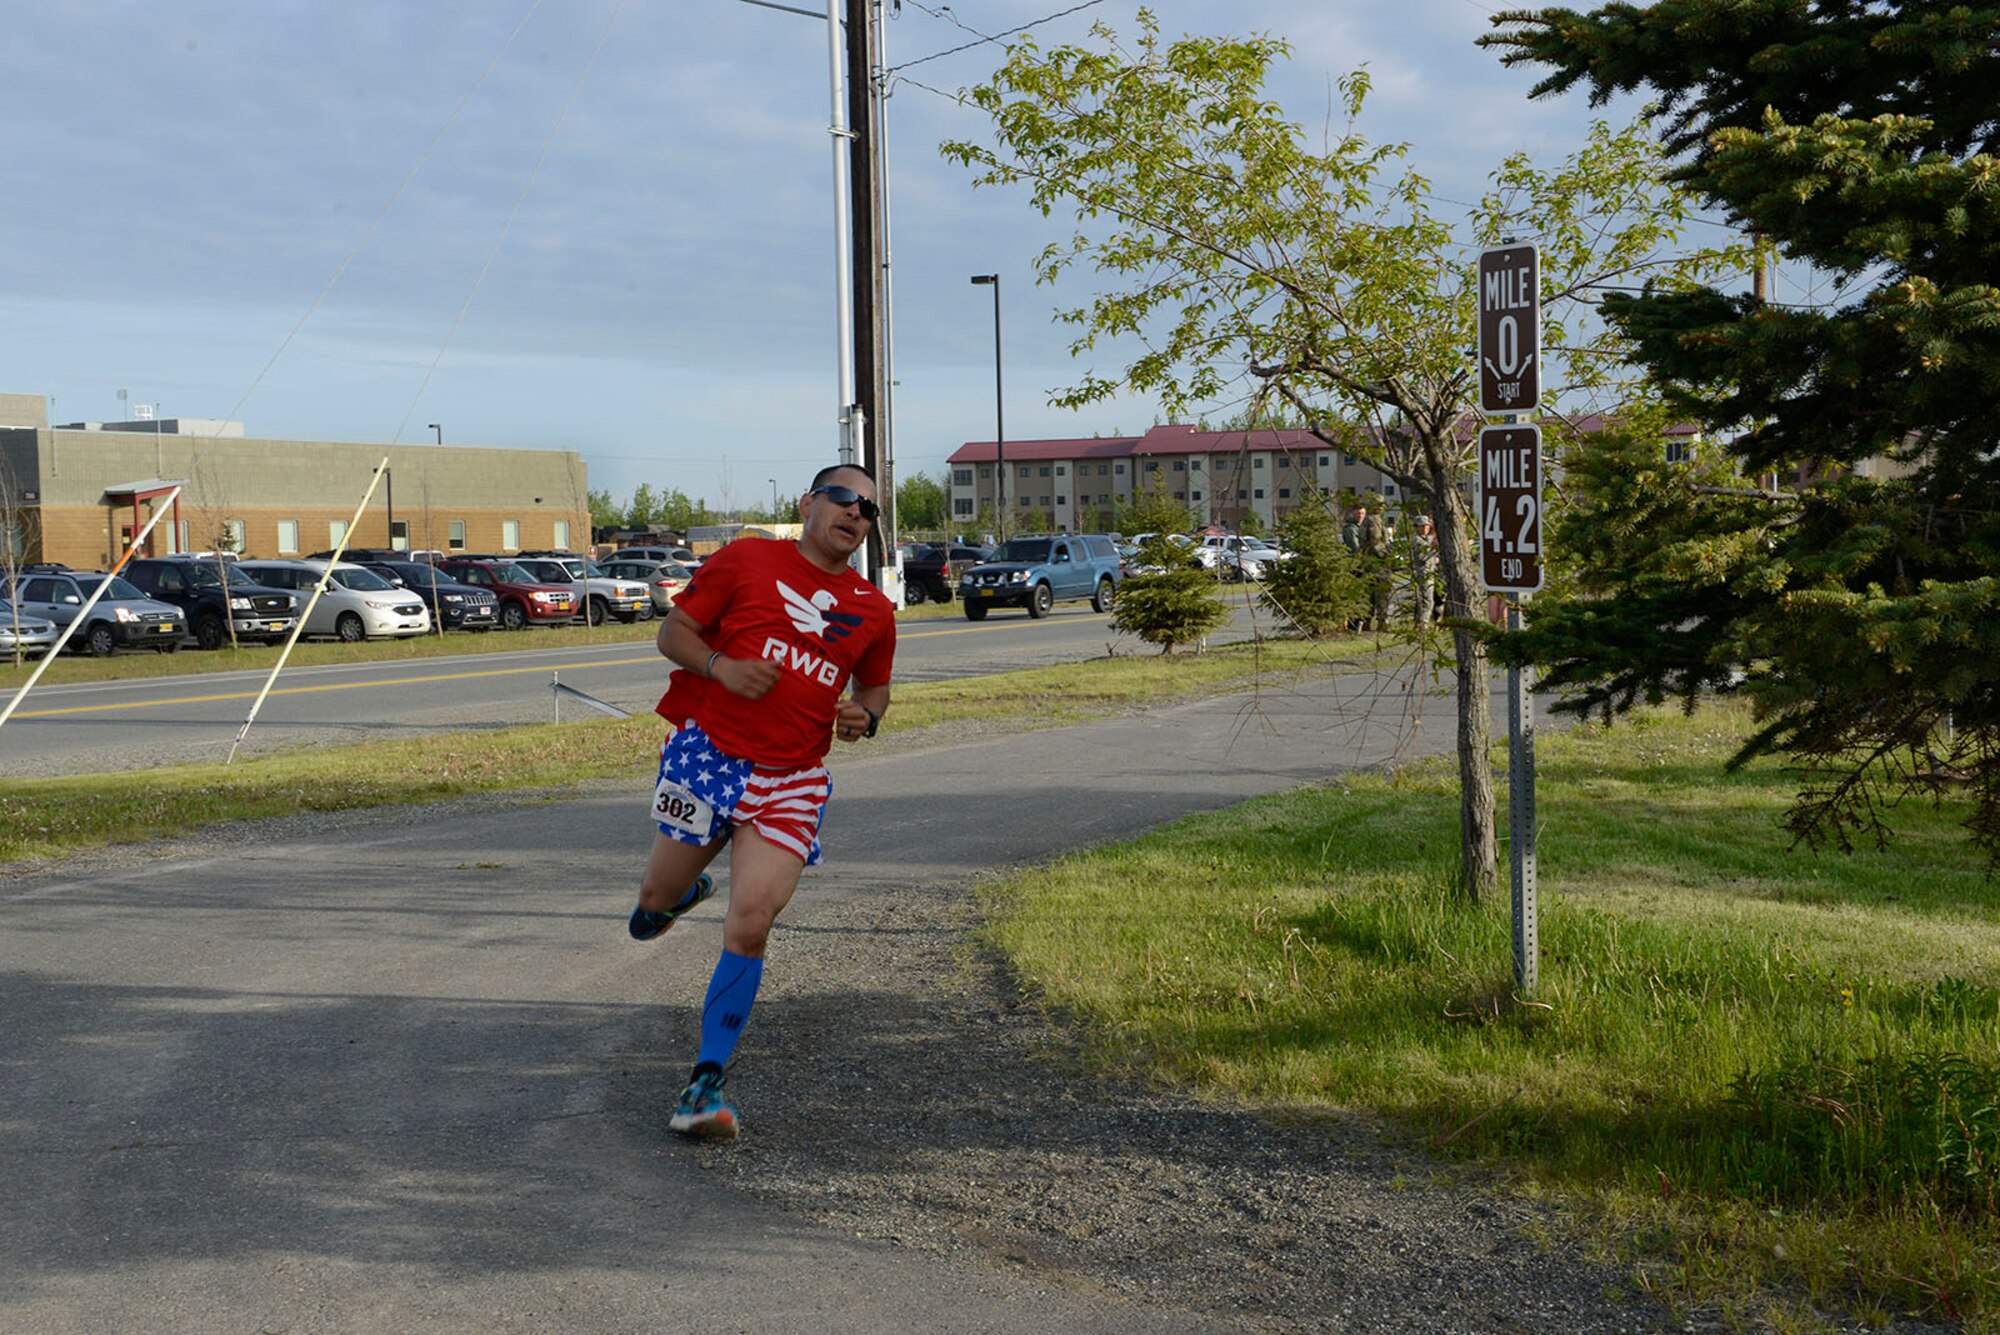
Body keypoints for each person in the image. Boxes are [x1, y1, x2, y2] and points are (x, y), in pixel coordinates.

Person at [628, 463, 897, 1140]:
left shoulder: (873, 610)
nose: (856, 513)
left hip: (792, 780)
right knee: (651, 905)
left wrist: (865, 716)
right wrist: (721, 667)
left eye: (869, 509)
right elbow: (674, 634)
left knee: (750, 922)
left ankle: (704, 1083)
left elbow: (875, 690)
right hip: (710, 758)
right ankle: (679, 895)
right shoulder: (747, 558)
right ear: (807, 502)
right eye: (844, 498)